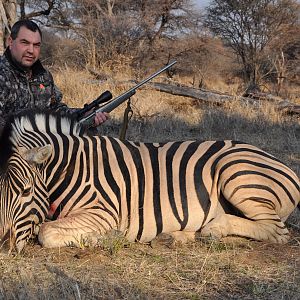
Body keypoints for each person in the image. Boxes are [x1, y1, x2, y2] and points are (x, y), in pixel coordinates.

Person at [0, 19, 109, 130]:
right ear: (10, 42)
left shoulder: (44, 76)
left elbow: (55, 109)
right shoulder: (2, 75)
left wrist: (83, 114)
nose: (31, 50)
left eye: (36, 45)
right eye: (25, 43)